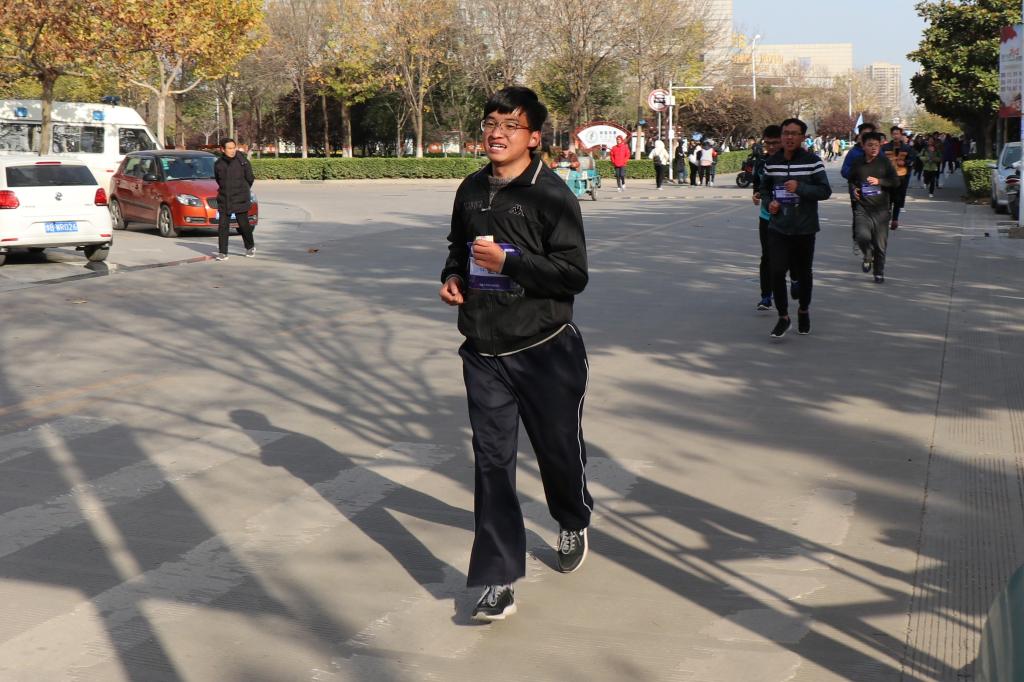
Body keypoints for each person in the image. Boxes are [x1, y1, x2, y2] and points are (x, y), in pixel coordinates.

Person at [438, 86, 592, 622]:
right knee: (492, 463)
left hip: (545, 349)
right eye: (490, 123)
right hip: (483, 352)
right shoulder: (470, 188)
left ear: (534, 137)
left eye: (510, 125)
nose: (496, 133)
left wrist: (510, 264)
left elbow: (574, 274)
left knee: (558, 453)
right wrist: (454, 277)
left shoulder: (552, 194)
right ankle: (498, 578)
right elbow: (458, 247)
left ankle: (571, 517)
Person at [760, 118, 832, 338]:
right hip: (778, 227)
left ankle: (803, 310)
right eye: (785, 133)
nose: (789, 137)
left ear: (802, 137)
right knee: (777, 271)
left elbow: (825, 191)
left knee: (804, 272)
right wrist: (769, 203)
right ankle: (783, 317)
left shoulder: (812, 162)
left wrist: (800, 187)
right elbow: (765, 189)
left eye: (794, 133)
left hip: (804, 228)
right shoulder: (772, 162)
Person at [847, 132, 899, 283]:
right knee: (862, 236)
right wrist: (853, 190)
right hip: (863, 208)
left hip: (881, 209)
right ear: (863, 146)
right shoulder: (858, 162)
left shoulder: (884, 162)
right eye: (870, 145)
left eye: (876, 145)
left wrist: (879, 181)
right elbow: (851, 180)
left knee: (880, 244)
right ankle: (868, 254)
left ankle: (878, 272)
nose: (874, 148)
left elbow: (895, 182)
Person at [752, 125, 783, 311]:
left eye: (775, 143)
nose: (771, 146)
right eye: (767, 143)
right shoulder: (761, 161)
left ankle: (796, 279)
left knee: (788, 257)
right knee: (767, 256)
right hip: (766, 216)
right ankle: (766, 296)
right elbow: (757, 184)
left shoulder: (791, 160)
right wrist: (756, 194)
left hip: (789, 217)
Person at [213, 137, 256, 261]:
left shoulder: (242, 161)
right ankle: (223, 252)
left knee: (243, 225)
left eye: (234, 148)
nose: (232, 151)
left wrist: (243, 190)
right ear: (222, 149)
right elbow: (218, 180)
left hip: (240, 198)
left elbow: (250, 178)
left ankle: (250, 247)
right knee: (223, 226)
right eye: (229, 148)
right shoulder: (218, 164)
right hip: (224, 198)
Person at [881, 126, 915, 229]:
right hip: (888, 176)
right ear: (891, 135)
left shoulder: (907, 148)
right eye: (894, 134)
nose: (896, 136)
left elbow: (912, 159)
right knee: (887, 198)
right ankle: (887, 216)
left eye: (897, 134)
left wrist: (905, 162)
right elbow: (879, 160)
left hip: (901, 176)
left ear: (901, 134)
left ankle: (895, 219)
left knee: (898, 199)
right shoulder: (885, 147)